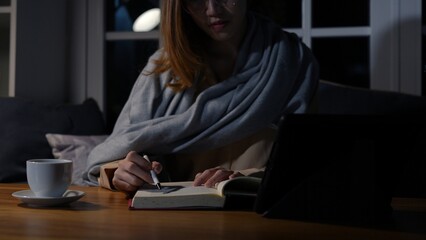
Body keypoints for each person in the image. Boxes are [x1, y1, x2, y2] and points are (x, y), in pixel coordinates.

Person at [83, 0, 319, 194]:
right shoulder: (162, 69)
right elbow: (116, 154)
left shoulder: (291, 61)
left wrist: (245, 179)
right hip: (172, 220)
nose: (213, 10)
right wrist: (121, 174)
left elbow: (309, 161)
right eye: (196, 0)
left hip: (259, 212)